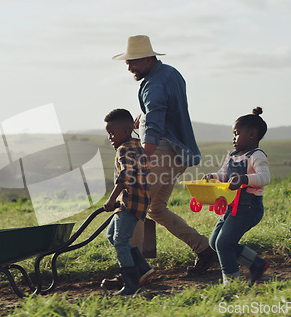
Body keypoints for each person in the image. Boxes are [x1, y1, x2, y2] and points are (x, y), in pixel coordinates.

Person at [111, 35, 217, 277]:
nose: (129, 67)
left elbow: (157, 121)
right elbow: (161, 110)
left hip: (160, 152)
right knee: (156, 209)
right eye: (127, 62)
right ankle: (204, 249)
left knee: (133, 205)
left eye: (133, 62)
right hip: (178, 153)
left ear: (149, 59)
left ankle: (134, 269)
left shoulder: (154, 85)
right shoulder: (170, 73)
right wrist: (144, 117)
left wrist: (143, 158)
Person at [204, 107, 270, 285]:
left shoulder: (256, 156)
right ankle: (256, 264)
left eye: (237, 133)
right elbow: (224, 175)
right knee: (214, 242)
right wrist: (213, 177)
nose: (233, 138)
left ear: (251, 134)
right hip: (232, 207)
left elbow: (265, 178)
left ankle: (231, 283)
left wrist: (244, 179)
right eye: (233, 134)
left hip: (249, 207)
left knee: (224, 243)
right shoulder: (232, 155)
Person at [103, 108, 155, 296]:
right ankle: (143, 268)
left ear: (125, 132)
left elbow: (125, 176)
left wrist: (111, 199)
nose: (110, 138)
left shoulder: (124, 150)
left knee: (120, 241)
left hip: (130, 202)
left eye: (112, 134)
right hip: (136, 201)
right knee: (112, 236)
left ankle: (131, 285)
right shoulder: (138, 147)